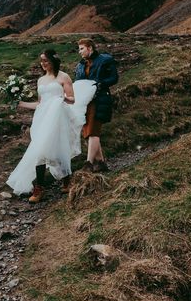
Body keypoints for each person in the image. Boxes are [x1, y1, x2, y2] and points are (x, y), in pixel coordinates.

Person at [7, 49, 96, 203]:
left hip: (59, 117)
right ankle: (41, 188)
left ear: (53, 61)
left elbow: (72, 99)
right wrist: (20, 103)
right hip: (42, 119)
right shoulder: (40, 81)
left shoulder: (63, 77)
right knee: (40, 150)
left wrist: (62, 99)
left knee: (58, 148)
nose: (43, 63)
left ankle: (64, 181)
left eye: (46, 60)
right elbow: (40, 104)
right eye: (41, 61)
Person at [75, 38, 119, 172]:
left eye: (82, 48)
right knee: (88, 131)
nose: (80, 52)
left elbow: (114, 78)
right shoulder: (80, 65)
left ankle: (88, 163)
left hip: (99, 99)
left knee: (93, 131)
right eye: (79, 49)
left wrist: (101, 84)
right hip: (85, 102)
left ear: (90, 48)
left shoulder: (105, 60)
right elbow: (78, 82)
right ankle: (101, 162)